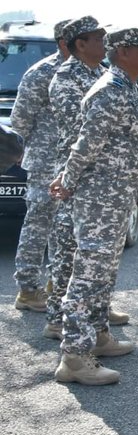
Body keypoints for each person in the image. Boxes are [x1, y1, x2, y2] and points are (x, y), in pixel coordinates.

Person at [50, 27, 138, 385]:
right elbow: (86, 145)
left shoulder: (125, 86)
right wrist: (67, 181)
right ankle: (74, 357)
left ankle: (97, 335)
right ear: (123, 51)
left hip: (116, 196)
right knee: (88, 275)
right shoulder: (109, 90)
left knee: (105, 272)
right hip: (99, 199)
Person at [43, 17, 118, 341]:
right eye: (98, 38)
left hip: (98, 177)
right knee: (67, 250)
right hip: (74, 177)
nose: (104, 42)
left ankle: (95, 312)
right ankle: (57, 319)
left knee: (93, 254)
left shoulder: (101, 73)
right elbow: (83, 129)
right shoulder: (65, 79)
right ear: (80, 44)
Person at [10, 19, 70, 312]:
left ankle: (57, 285)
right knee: (38, 226)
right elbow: (20, 120)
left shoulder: (90, 72)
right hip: (45, 162)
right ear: (65, 42)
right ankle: (28, 290)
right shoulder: (42, 73)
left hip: (74, 164)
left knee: (66, 227)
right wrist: (22, 152)